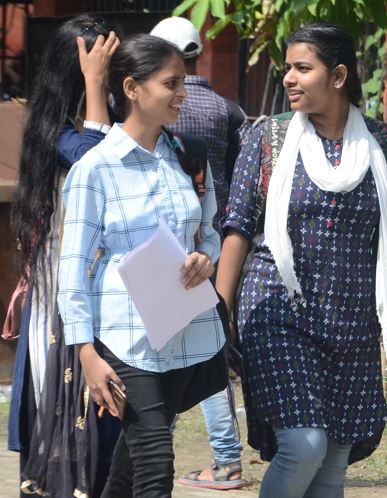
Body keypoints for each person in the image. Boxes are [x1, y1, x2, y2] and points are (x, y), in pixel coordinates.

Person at [216, 22, 387, 498]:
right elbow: (237, 227)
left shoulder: (378, 142)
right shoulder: (268, 138)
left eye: (302, 68)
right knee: (304, 445)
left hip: (352, 319)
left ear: (338, 76)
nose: (289, 78)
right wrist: (220, 308)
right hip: (278, 310)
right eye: (287, 68)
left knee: (332, 464)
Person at [56, 34, 227, 497]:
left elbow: (210, 232)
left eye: (182, 82)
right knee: (155, 457)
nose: (182, 94)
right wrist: (86, 353)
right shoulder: (95, 169)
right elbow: (72, 268)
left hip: (182, 326)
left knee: (130, 466)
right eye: (171, 83)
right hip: (123, 335)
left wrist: (206, 259)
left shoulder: (190, 157)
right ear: (132, 88)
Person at [7, 15, 121, 498]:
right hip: (63, 291)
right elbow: (95, 162)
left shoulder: (117, 121)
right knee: (63, 400)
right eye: (100, 65)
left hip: (110, 288)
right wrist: (96, 84)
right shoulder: (54, 132)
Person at [150, 15, 250, 491]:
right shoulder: (228, 110)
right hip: (214, 248)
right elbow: (241, 177)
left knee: (156, 351)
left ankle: (153, 451)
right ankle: (227, 459)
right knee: (209, 351)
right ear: (197, 52)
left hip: (157, 251)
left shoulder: (148, 104)